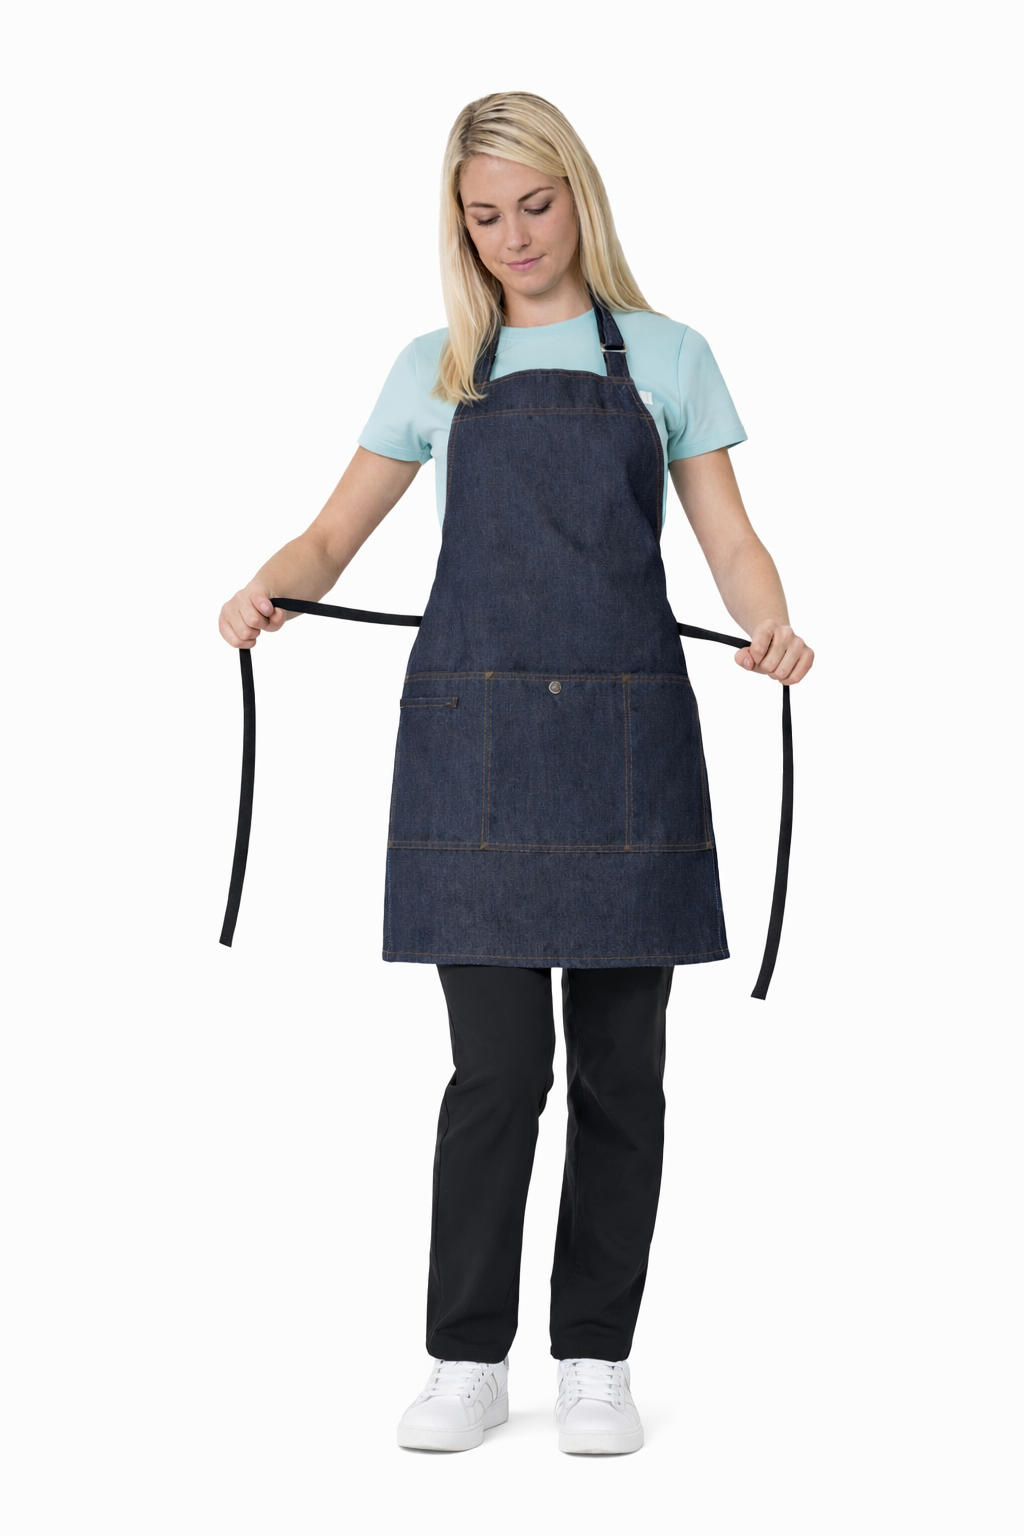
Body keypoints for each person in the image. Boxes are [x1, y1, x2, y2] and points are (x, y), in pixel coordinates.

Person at [219, 91, 814, 1456]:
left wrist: (772, 619)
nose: (515, 237)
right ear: (460, 225)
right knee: (495, 1074)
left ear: (577, 196)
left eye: (534, 207)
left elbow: (729, 539)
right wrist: (268, 588)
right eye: (484, 217)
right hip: (472, 748)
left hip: (627, 747)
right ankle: (466, 1357)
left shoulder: (668, 354)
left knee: (621, 1077)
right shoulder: (435, 365)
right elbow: (333, 535)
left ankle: (596, 1355)